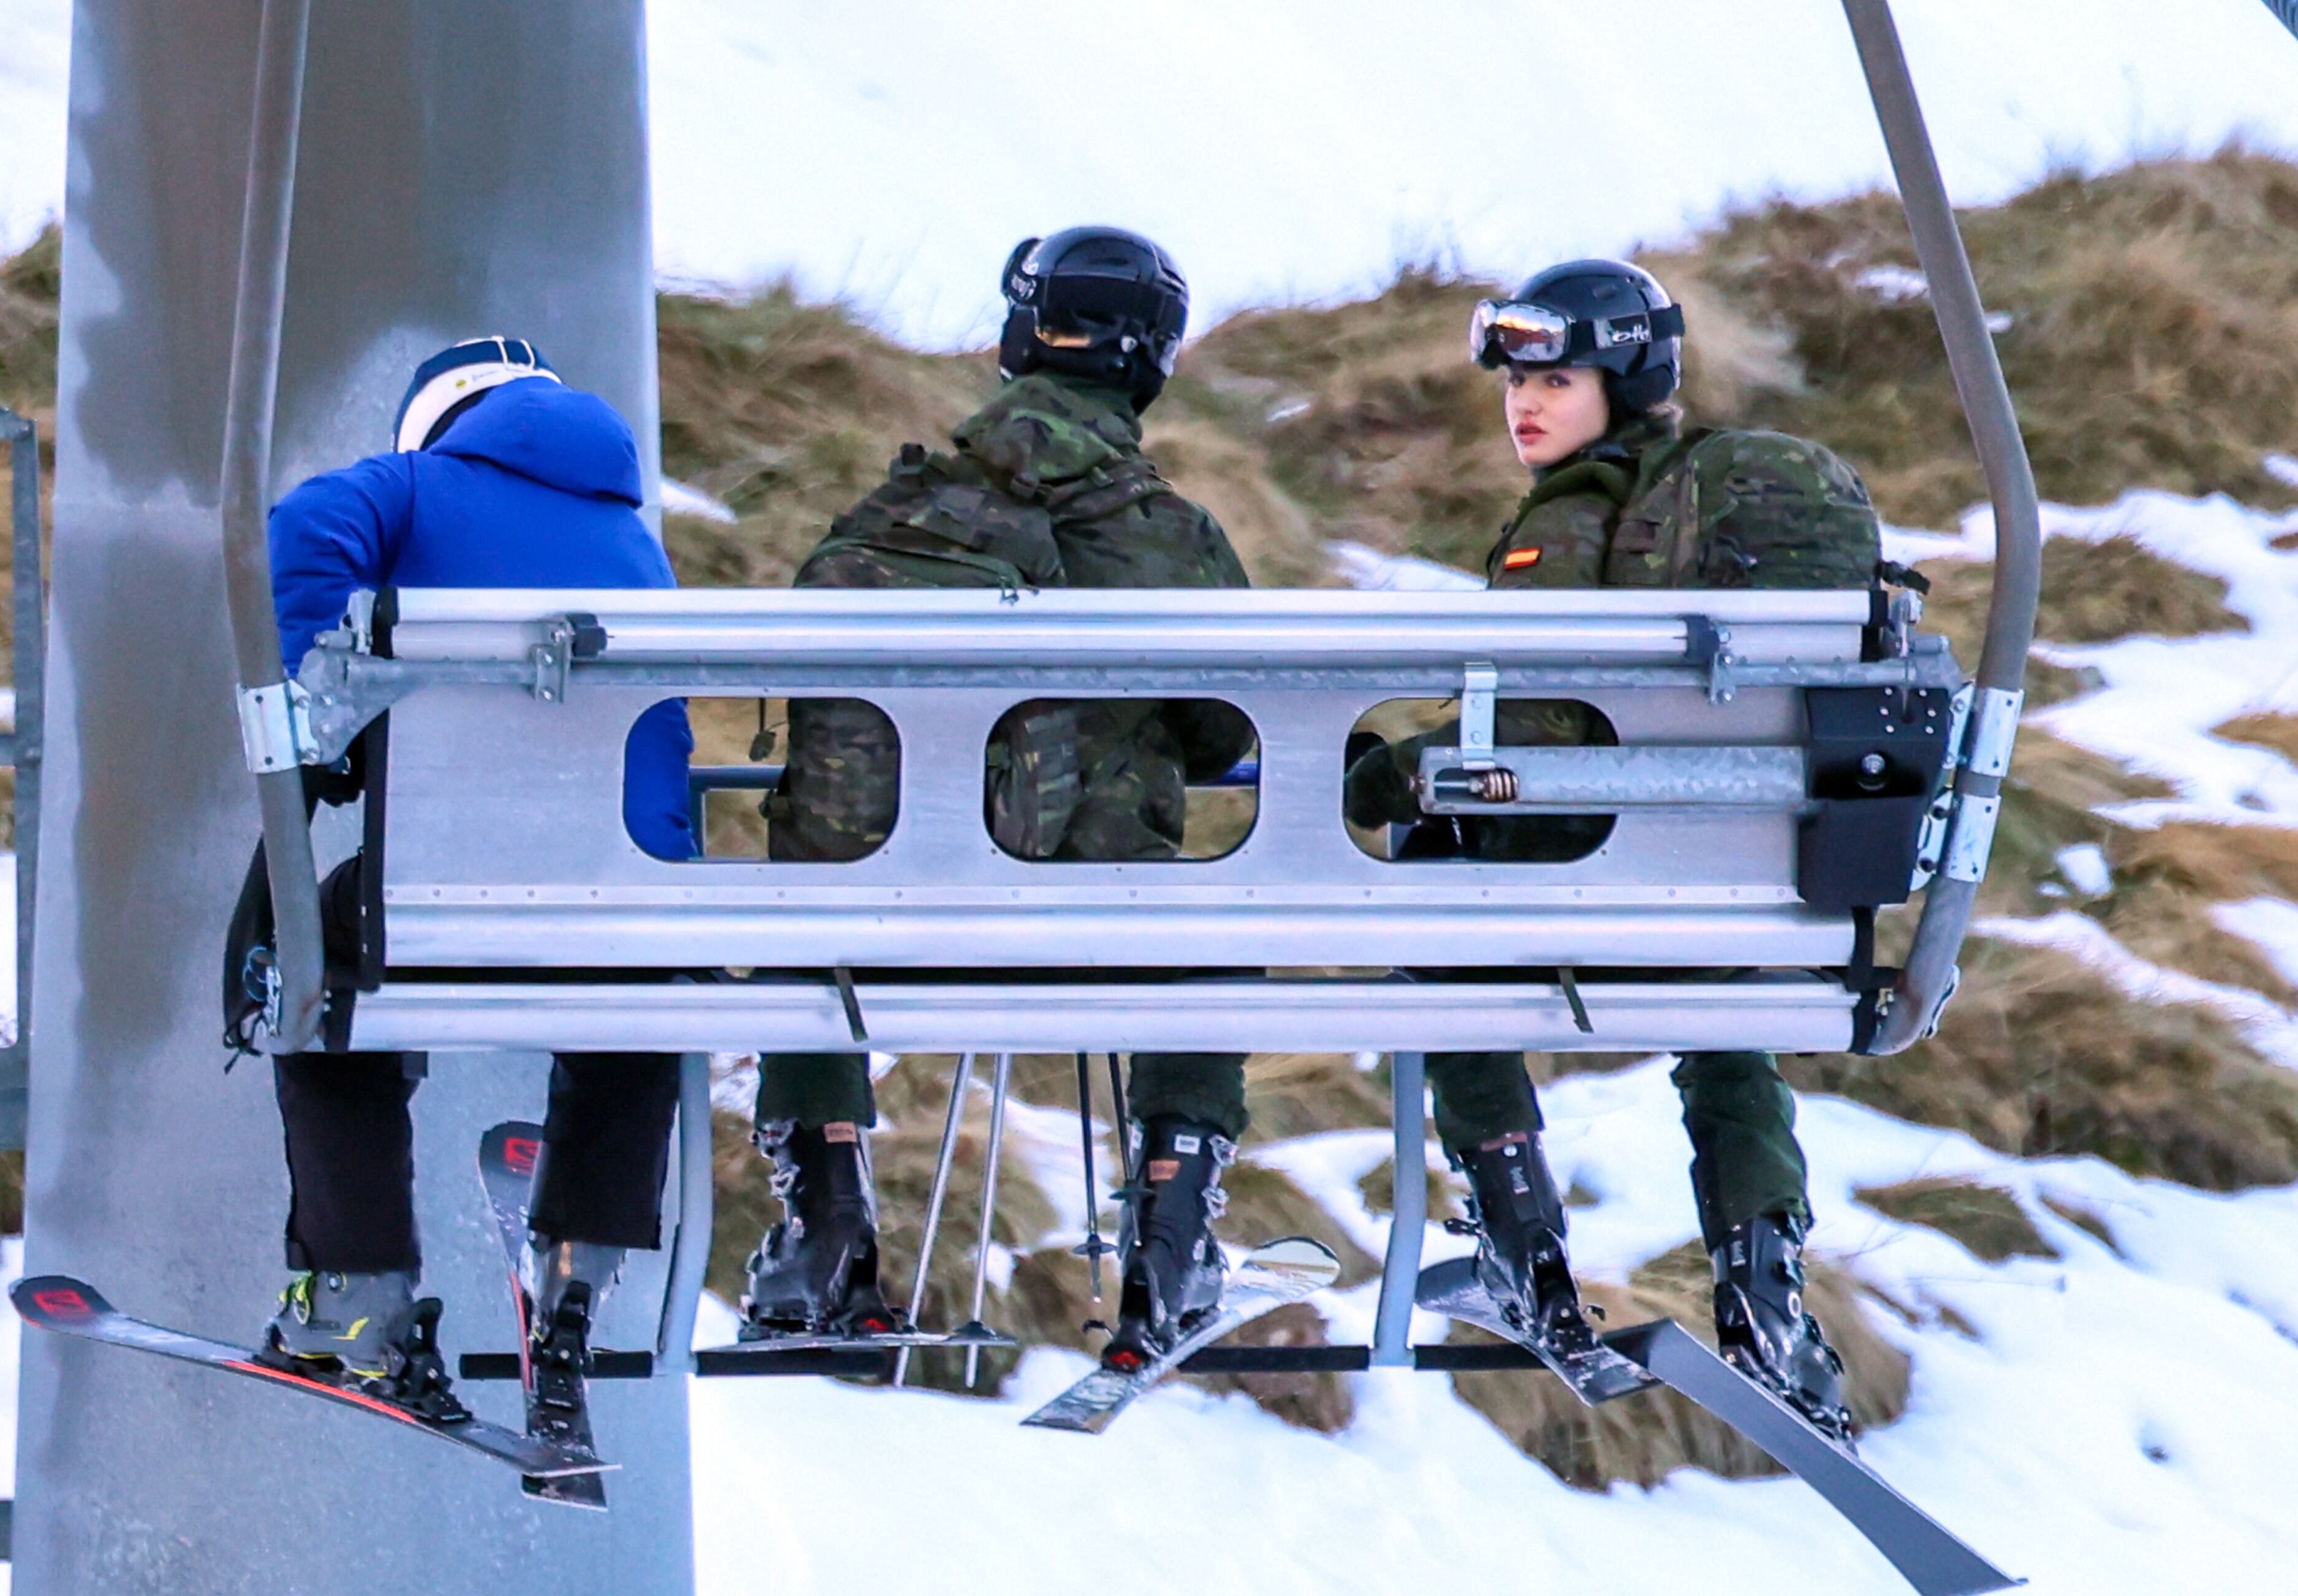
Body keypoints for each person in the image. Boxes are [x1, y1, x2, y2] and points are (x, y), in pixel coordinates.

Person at [1344, 260, 1882, 1440]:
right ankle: (1762, 1290)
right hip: (1736, 883)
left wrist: (1393, 770)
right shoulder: (1700, 501)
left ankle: (1517, 1240)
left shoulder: (1575, 517)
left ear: (1623, 381)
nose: (1524, 402)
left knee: (1437, 907)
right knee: (1723, 1023)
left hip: (1586, 873)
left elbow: (1536, 737)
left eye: (1557, 376)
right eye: (1517, 378)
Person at [744, 228, 1257, 1371]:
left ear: (1020, 337)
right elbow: (1231, 728)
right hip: (1087, 931)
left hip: (873, 935)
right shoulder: (1168, 537)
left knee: (796, 933)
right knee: (1220, 945)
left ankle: (825, 1228)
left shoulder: (895, 511)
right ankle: (1171, 1237)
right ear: (1151, 363)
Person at [254, 338, 694, 1414]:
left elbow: (305, 528)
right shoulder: (631, 537)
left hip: (445, 895)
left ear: (437, 419)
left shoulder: (409, 485)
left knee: (309, 973)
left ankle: (357, 1291)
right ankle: (580, 1277)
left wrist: (326, 714)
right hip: (627, 912)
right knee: (637, 1006)